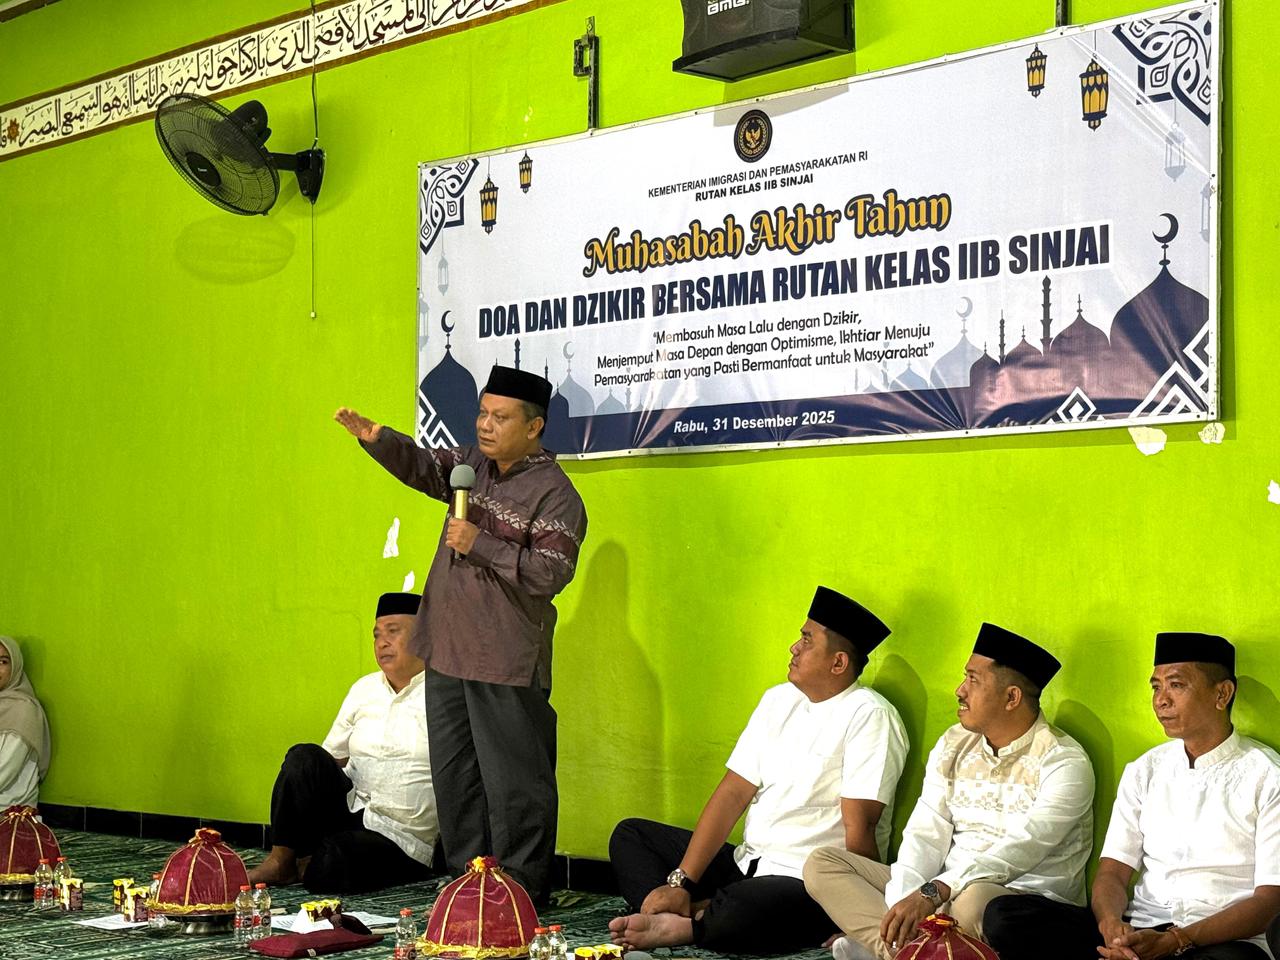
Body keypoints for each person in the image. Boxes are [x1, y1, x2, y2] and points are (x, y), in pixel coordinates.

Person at [334, 365, 586, 904]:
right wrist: (378, 439)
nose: (485, 426)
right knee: (457, 777)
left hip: (504, 657)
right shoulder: (470, 467)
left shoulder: (556, 495)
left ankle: (520, 889)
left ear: (535, 427)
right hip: (446, 648)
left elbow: (549, 574)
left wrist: (481, 543)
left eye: (500, 417)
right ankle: (469, 880)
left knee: (515, 781)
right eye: (482, 414)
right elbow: (425, 467)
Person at [607, 587, 908, 956]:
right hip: (747, 863)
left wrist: (853, 915)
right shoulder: (778, 700)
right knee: (631, 836)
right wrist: (680, 882)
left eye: (806, 640)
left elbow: (859, 826)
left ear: (838, 663)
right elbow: (733, 793)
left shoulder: (871, 716)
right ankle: (686, 911)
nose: (794, 648)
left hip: (807, 882)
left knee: (744, 908)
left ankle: (688, 924)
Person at [804, 622, 1094, 960]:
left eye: (973, 680)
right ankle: (903, 948)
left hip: (1019, 900)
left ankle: (890, 949)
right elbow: (926, 832)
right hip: (940, 895)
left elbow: (1021, 849)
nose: (960, 690)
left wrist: (934, 891)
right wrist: (902, 904)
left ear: (1011, 697)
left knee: (973, 902)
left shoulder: (1063, 761)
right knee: (822, 864)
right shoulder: (954, 743)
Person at [983, 632, 1280, 960]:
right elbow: (1112, 872)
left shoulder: (1267, 775)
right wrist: (1112, 928)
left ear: (1222, 694)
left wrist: (1176, 940)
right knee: (1004, 916)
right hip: (1142, 927)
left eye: (1176, 685)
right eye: (1156, 687)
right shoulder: (1146, 769)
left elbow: (1270, 901)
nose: (1161, 700)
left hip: (1218, 940)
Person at [249, 592, 437, 893]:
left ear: (424, 636)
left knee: (334, 862)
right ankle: (281, 861)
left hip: (402, 837)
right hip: (353, 809)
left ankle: (315, 862)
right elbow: (330, 758)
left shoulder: (445, 695)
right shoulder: (364, 689)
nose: (382, 643)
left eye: (393, 632)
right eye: (377, 635)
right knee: (303, 757)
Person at [0, 636, 51, 807]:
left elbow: (4, 772)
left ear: (15, 666)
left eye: (3, 661)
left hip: (9, 811)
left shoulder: (23, 709)